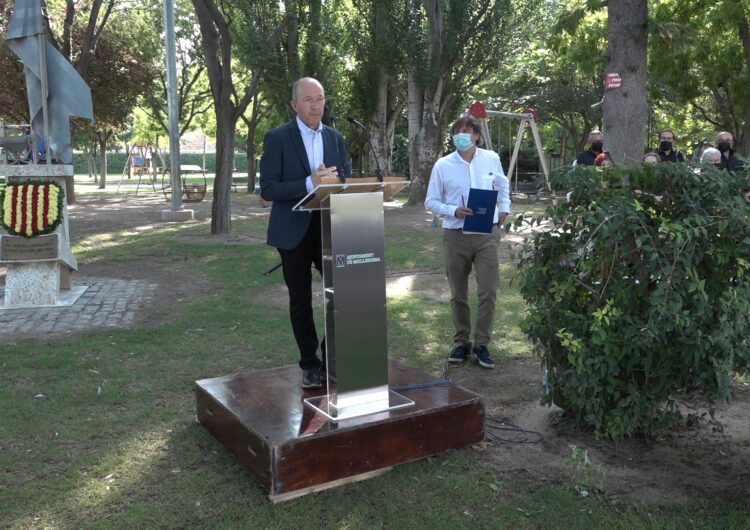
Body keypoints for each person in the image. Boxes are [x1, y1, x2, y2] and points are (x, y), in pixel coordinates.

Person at [260, 77, 352, 390]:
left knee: (345, 293)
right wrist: (310, 182)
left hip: (330, 226)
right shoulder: (278, 138)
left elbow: (346, 180)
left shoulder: (337, 138)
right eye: (309, 100)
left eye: (320, 98)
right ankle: (309, 363)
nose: (316, 106)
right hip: (293, 232)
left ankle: (331, 355)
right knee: (300, 300)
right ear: (294, 105)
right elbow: (269, 188)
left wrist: (342, 187)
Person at [425, 115, 511, 369]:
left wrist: (504, 209)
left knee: (488, 291)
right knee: (458, 293)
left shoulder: (491, 158)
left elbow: (502, 186)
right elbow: (431, 201)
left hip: (486, 235)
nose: (462, 135)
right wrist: (453, 210)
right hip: (456, 236)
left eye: (467, 130)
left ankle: (482, 344)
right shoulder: (443, 165)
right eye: (457, 131)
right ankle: (462, 342)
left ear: (476, 135)